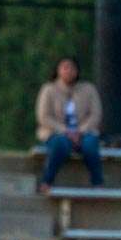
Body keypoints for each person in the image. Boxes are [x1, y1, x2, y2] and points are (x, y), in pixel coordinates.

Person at [35, 56, 103, 194]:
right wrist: (66, 131)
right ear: (58, 70)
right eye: (65, 67)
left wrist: (80, 131)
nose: (69, 71)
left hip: (84, 132)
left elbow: (96, 114)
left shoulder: (89, 89)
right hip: (56, 132)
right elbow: (43, 116)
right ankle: (46, 181)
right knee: (60, 145)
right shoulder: (48, 89)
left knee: (90, 146)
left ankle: (98, 183)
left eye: (72, 67)